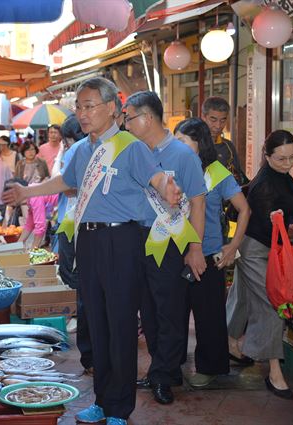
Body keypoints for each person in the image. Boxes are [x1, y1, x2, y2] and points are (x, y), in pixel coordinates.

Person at [3, 77, 182, 425]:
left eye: (89, 107)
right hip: (89, 241)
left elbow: (157, 180)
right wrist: (29, 192)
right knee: (96, 322)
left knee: (121, 325)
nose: (82, 114)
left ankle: (119, 408)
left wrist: (168, 189)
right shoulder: (81, 150)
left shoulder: (131, 147)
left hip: (122, 241)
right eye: (79, 108)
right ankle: (102, 399)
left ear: (112, 108)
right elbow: (67, 182)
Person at [124, 91, 206, 406]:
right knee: (149, 311)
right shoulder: (131, 152)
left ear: (148, 117)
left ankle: (163, 375)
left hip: (170, 242)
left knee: (170, 311)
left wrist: (195, 247)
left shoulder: (183, 156)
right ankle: (164, 367)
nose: (126, 124)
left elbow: (198, 203)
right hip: (137, 240)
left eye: (129, 118)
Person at [226, 130, 293, 400]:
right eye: (281, 159)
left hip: (264, 246)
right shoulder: (264, 185)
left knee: (242, 295)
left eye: (292, 157)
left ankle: (227, 341)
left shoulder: (282, 177)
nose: (288, 164)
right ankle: (274, 370)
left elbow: (288, 202)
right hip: (255, 247)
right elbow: (269, 218)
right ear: (267, 155)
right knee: (274, 302)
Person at [173, 118, 251, 388]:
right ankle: (173, 362)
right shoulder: (171, 170)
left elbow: (244, 209)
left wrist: (233, 245)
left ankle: (211, 367)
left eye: (182, 141)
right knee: (173, 312)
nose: (176, 146)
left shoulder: (217, 172)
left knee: (208, 315)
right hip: (173, 252)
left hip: (206, 255)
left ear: (199, 143)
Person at [54, 114, 92, 375]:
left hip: (80, 229)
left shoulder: (79, 153)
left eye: (67, 141)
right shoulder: (83, 150)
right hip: (74, 226)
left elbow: (68, 188)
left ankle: (91, 355)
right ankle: (91, 355)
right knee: (84, 292)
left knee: (83, 291)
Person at [201, 97, 248, 185]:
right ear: (203, 117)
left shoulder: (228, 146)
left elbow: (239, 178)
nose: (218, 126)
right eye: (213, 120)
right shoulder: (193, 145)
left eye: (223, 120)